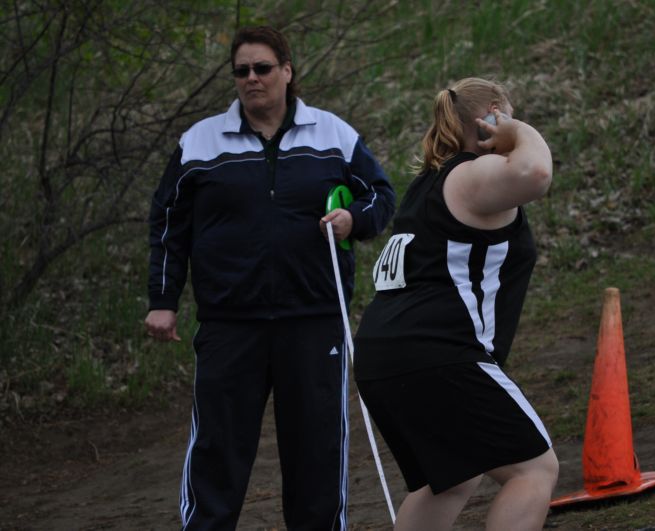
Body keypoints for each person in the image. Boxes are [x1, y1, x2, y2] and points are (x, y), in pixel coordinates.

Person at [145, 25, 395, 530]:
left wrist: (354, 221)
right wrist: (163, 299)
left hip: (315, 319)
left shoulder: (333, 134)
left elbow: (381, 196)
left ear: (287, 71)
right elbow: (169, 222)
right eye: (241, 71)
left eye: (262, 68)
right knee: (218, 449)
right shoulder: (199, 142)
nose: (251, 79)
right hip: (229, 325)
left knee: (316, 451)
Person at [353, 77, 558, 530]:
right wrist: (519, 132)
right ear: (491, 119)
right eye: (509, 114)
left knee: (452, 477)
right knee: (534, 469)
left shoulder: (430, 183)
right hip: (439, 352)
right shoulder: (471, 175)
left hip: (384, 354)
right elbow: (537, 173)